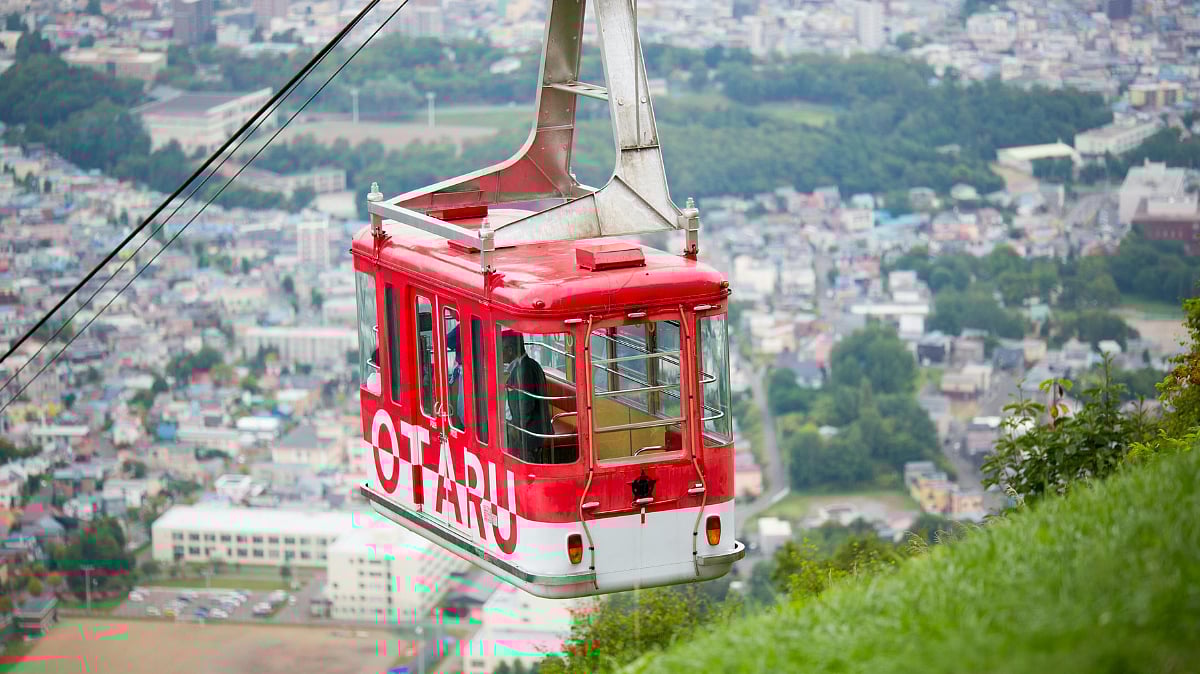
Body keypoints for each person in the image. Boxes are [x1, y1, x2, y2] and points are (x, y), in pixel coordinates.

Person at [501, 330, 552, 462]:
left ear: (510, 350)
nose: (499, 354)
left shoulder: (522, 370)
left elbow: (526, 406)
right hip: (536, 432)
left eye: (501, 349)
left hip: (529, 437)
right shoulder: (532, 365)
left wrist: (516, 429)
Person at [446, 325, 465, 429]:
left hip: (463, 371)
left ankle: (458, 427)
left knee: (458, 404)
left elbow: (447, 340)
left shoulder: (462, 327)